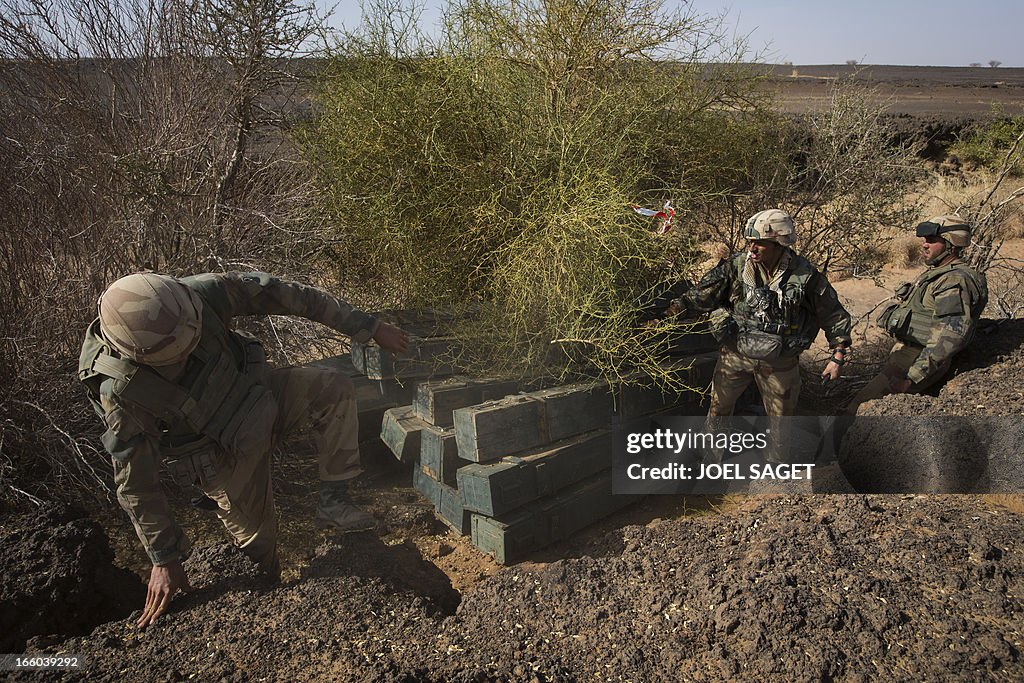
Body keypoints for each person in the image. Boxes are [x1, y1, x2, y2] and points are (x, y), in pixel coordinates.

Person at [78, 271, 410, 628]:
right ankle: (271, 616)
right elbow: (136, 483)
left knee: (333, 388)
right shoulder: (122, 390)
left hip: (255, 397)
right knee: (258, 554)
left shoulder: (201, 295)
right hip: (217, 453)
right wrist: (164, 557)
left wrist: (369, 326)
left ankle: (334, 501)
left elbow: (289, 295)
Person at [666, 209, 852, 456]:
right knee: (718, 410)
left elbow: (833, 314)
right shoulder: (737, 267)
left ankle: (775, 474)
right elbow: (701, 296)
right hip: (736, 353)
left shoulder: (804, 276)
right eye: (750, 242)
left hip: (779, 361)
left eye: (760, 244)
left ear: (779, 244)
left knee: (782, 425)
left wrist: (837, 357)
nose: (752, 248)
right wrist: (666, 315)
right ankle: (712, 461)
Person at [846, 214, 988, 415]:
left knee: (857, 408)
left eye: (932, 240)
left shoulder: (953, 280)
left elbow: (949, 337)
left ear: (951, 244)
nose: (924, 245)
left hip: (915, 360)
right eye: (924, 240)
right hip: (910, 356)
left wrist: (911, 378)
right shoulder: (940, 273)